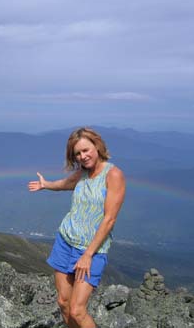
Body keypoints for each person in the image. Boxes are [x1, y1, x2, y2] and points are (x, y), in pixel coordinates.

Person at [28, 127, 126, 328]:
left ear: (97, 146)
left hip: (91, 249)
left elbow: (109, 219)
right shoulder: (82, 173)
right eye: (78, 154)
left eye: (86, 150)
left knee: (77, 310)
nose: (83, 156)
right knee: (63, 302)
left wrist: (88, 255)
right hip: (65, 241)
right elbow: (65, 184)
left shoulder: (113, 175)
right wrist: (46, 184)